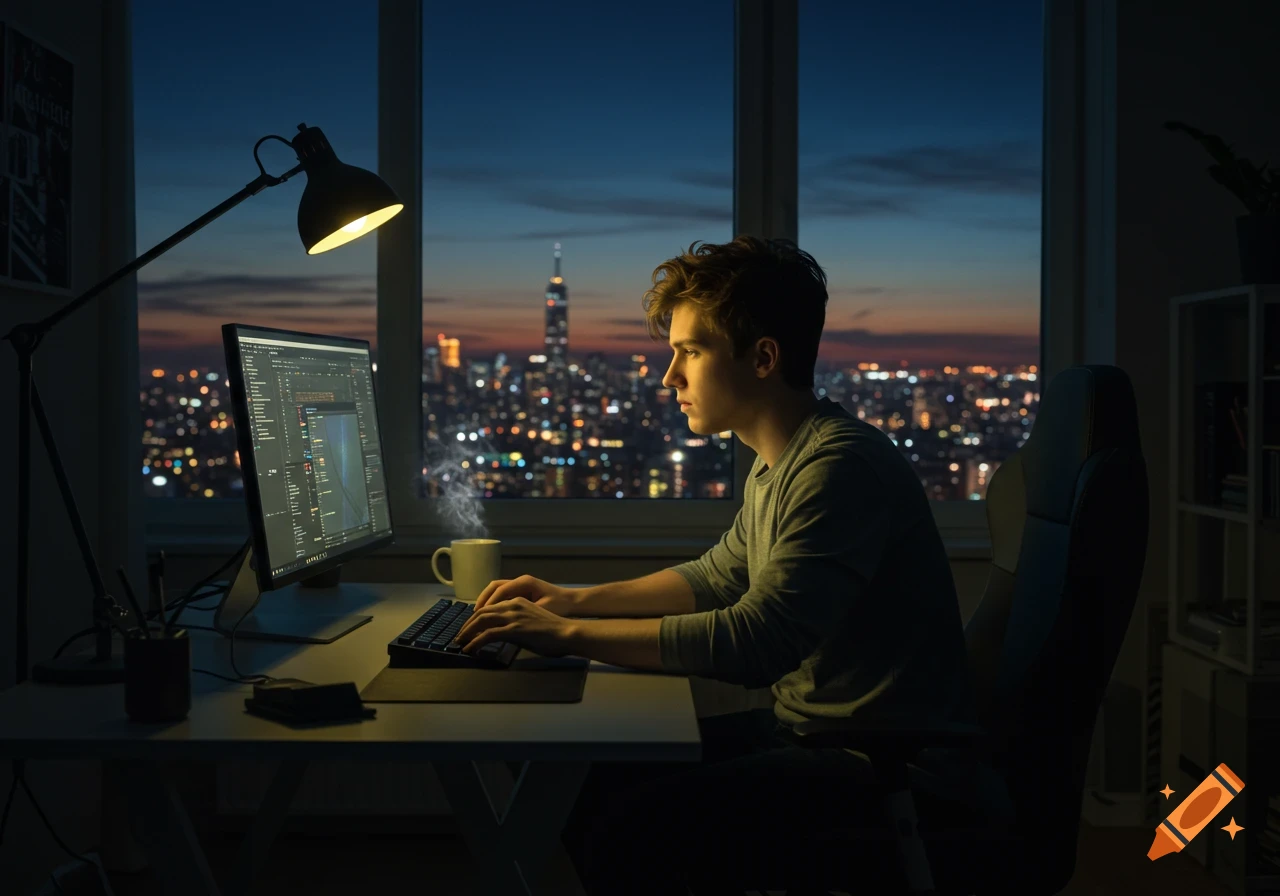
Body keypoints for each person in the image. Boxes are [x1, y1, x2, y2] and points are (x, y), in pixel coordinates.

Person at [453, 235, 1011, 894]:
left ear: (763, 357)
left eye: (690, 352)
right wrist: (569, 600)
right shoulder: (782, 463)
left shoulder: (838, 468)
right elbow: (717, 576)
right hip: (820, 733)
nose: (670, 377)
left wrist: (564, 636)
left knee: (625, 826)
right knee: (582, 769)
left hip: (890, 763)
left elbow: (759, 640)